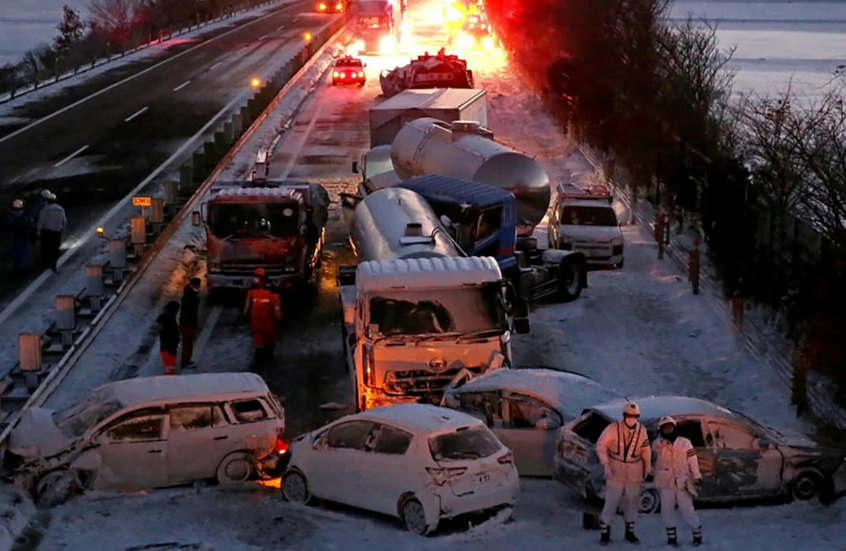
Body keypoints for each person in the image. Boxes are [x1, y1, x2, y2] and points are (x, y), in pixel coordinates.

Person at [596, 401, 652, 545]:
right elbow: (601, 446)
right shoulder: (612, 429)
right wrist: (606, 465)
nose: (631, 418)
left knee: (632, 502)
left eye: (634, 416)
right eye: (629, 415)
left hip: (635, 470)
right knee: (611, 501)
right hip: (616, 468)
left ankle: (630, 532)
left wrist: (647, 468)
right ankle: (605, 533)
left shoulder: (642, 431)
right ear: (623, 415)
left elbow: (646, 451)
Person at [653, 416, 703, 547]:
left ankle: (697, 534)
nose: (668, 429)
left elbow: (693, 460)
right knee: (667, 510)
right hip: (665, 482)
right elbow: (652, 455)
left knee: (687, 509)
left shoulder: (685, 443)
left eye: (670, 426)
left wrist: (696, 477)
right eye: (665, 427)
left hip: (683, 481)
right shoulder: (657, 444)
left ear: (674, 427)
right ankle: (672, 539)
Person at [244, 268, 281, 367]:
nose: (255, 279)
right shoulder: (255, 289)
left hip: (267, 320)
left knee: (267, 338)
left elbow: (276, 306)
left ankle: (265, 357)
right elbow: (248, 302)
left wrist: (278, 317)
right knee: (260, 338)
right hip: (258, 320)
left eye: (257, 277)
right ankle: (261, 358)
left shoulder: (271, 291)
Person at [36, 192, 67, 272]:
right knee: (55, 248)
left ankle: (46, 263)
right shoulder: (60, 209)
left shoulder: (45, 209)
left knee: (46, 247)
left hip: (47, 232)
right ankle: (54, 262)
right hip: (57, 232)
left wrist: (38, 230)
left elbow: (41, 220)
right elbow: (64, 220)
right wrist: (62, 229)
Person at [179, 277, 201, 369]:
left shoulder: (188, 295)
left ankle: (186, 360)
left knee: (187, 342)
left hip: (186, 322)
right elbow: (191, 311)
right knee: (188, 343)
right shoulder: (190, 296)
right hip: (188, 323)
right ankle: (185, 361)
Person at [6, 199, 31, 275]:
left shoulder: (11, 216)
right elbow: (29, 224)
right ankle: (23, 267)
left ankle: (16, 267)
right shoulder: (25, 215)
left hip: (15, 236)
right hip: (24, 235)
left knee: (15, 251)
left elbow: (8, 226)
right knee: (24, 251)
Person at [157, 301, 181, 375]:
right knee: (170, 370)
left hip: (165, 348)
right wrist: (173, 348)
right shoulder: (171, 321)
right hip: (170, 349)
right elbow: (173, 336)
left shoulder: (165, 320)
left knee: (169, 369)